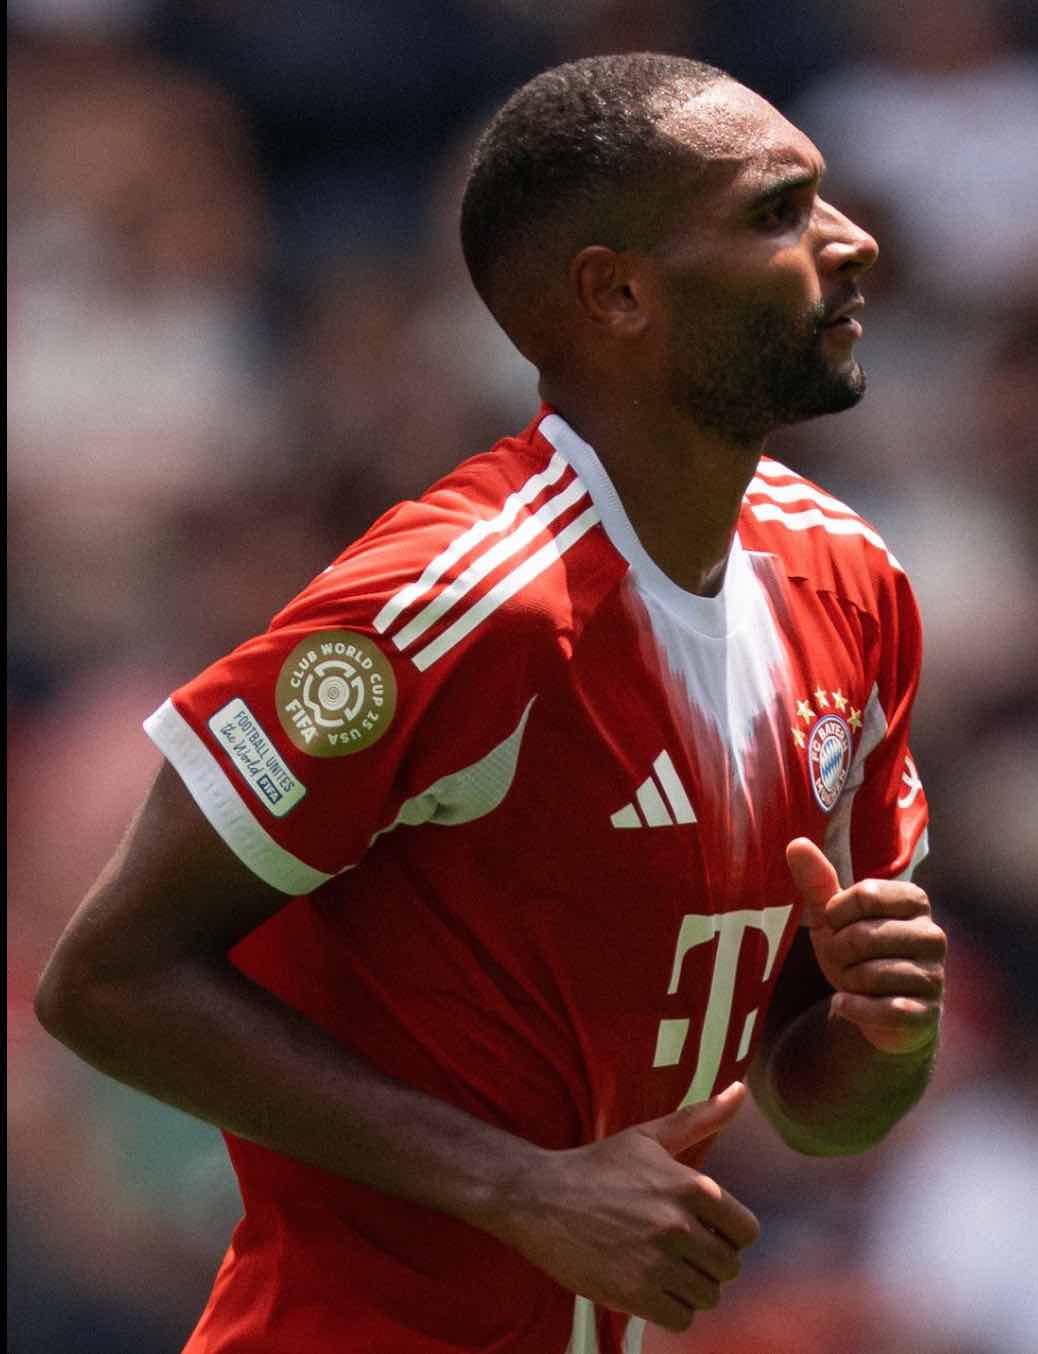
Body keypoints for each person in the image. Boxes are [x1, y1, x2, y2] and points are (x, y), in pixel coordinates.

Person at [35, 53, 946, 1354]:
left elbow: (817, 1103)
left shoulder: (852, 585)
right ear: (616, 292)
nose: (851, 241)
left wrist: (885, 1038)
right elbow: (105, 978)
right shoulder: (466, 606)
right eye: (776, 211)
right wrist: (516, 1185)